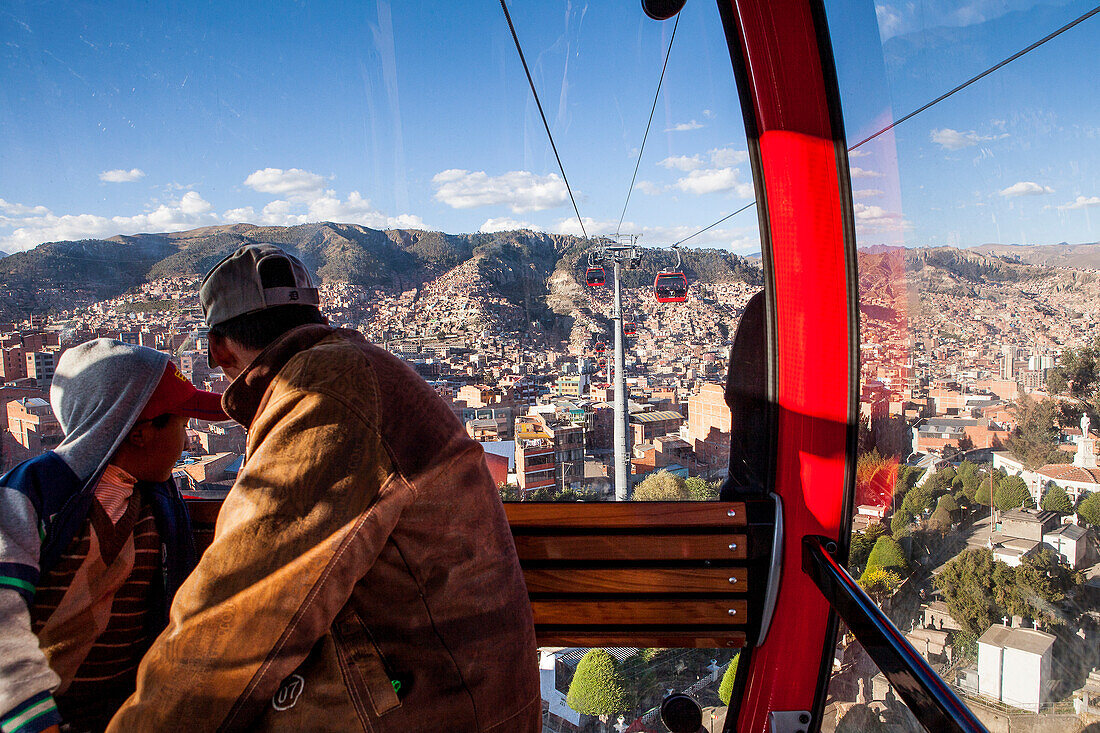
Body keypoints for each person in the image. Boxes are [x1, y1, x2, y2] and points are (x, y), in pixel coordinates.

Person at [110, 244, 539, 731]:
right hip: (450, 691)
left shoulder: (325, 387)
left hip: (422, 707)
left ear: (217, 350)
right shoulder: (352, 369)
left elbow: (242, 605)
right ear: (312, 314)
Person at [0, 340, 227, 733]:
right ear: (140, 433)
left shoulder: (157, 502)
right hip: (42, 714)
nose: (189, 440)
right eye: (181, 423)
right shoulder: (30, 496)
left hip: (123, 711)